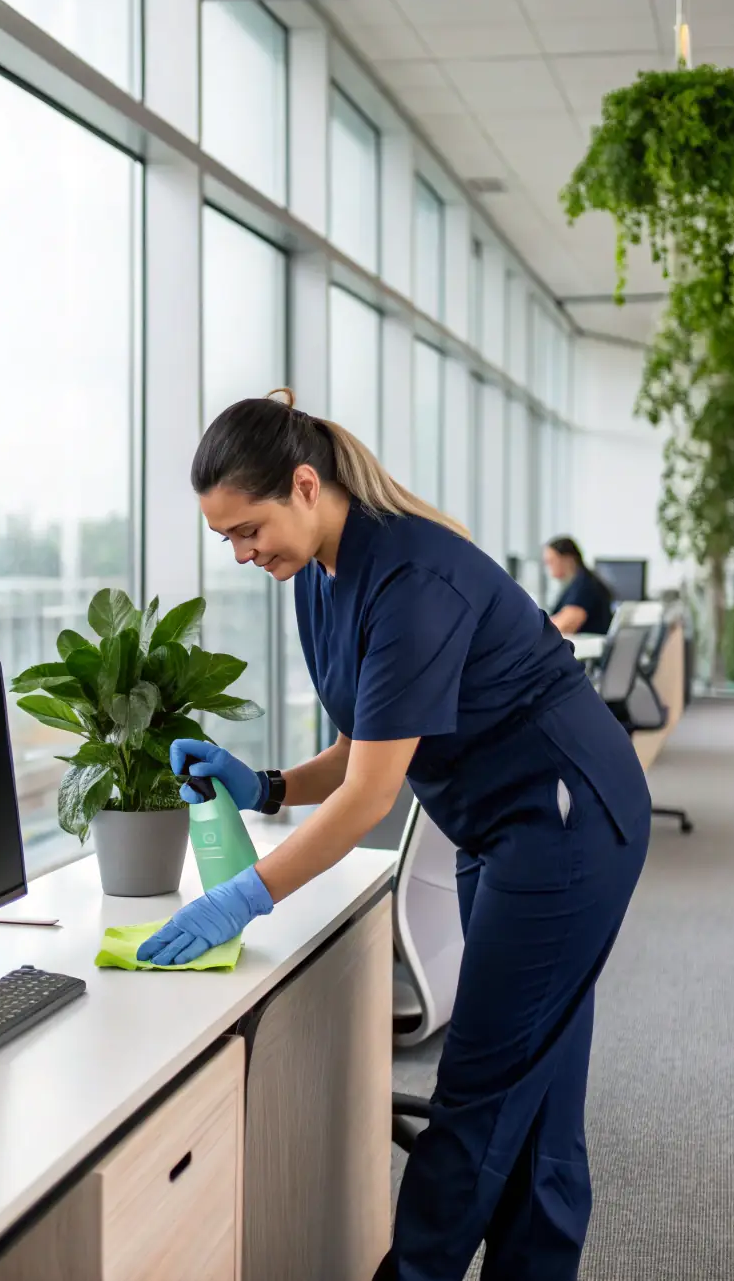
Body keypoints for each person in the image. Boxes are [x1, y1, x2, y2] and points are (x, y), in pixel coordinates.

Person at [137, 390, 651, 1281]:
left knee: (478, 1097)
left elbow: (373, 792)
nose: (242, 553)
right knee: (538, 1091)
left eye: (248, 529)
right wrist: (265, 785)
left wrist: (244, 897)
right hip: (499, 828)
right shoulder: (319, 577)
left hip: (569, 820)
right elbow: (361, 743)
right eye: (225, 539)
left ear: (305, 485)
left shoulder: (412, 575)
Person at [544, 536, 614, 637]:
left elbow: (564, 626)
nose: (549, 568)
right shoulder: (575, 583)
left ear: (568, 559)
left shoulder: (585, 586)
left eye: (551, 562)